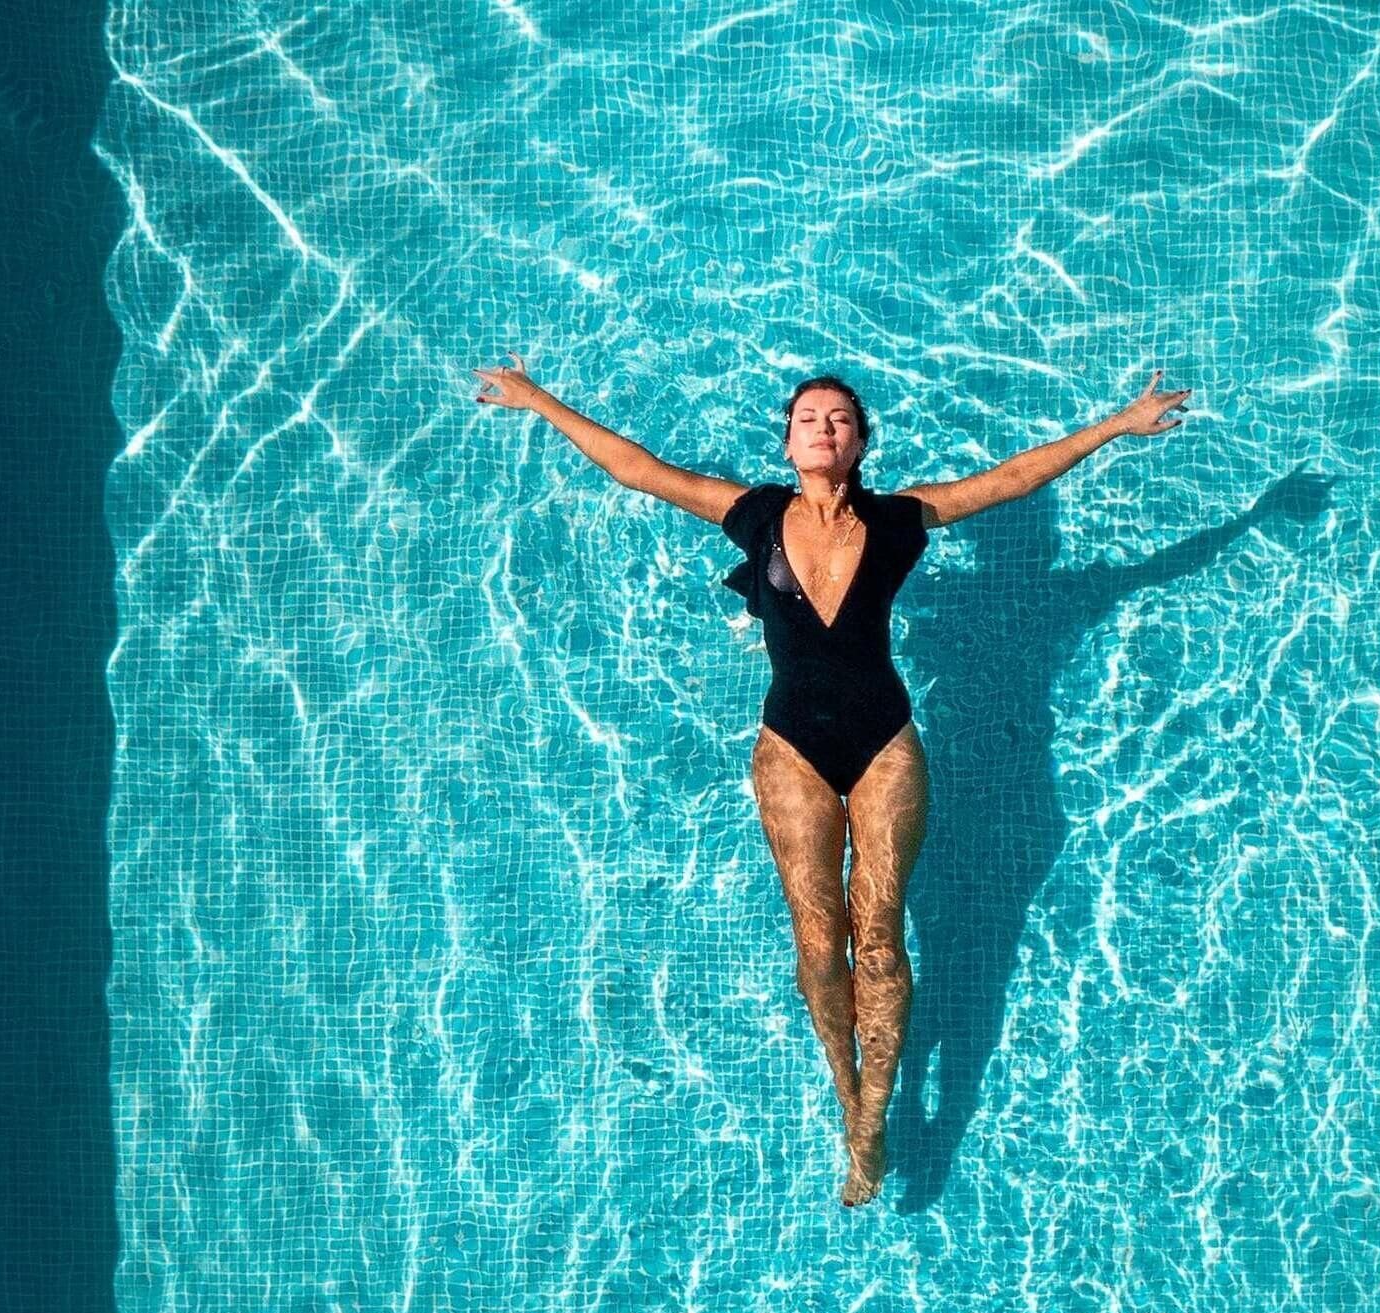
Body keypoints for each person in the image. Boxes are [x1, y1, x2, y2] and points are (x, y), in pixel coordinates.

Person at [472, 360, 1194, 1204]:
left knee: (878, 937)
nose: (824, 427)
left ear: (860, 444)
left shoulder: (899, 521)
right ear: (787, 442)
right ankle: (845, 1092)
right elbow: (638, 467)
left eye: (841, 419)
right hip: (791, 749)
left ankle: (873, 1116)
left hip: (884, 744)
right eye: (809, 417)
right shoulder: (755, 515)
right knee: (819, 944)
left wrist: (1115, 424)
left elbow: (1009, 478)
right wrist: (537, 397)